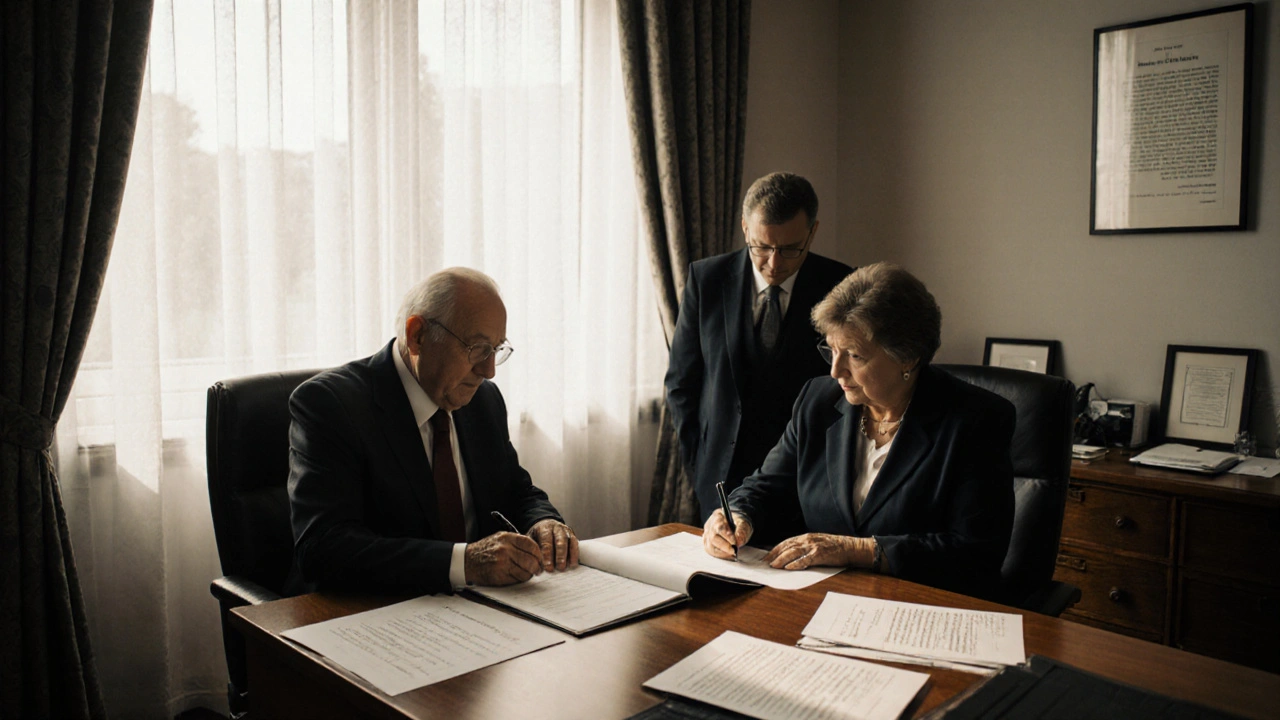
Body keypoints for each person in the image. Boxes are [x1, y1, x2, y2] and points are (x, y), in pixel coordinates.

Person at [702, 262, 1015, 601]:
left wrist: (858, 550)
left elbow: (975, 551)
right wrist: (735, 514)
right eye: (831, 350)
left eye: (854, 355)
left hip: (925, 608)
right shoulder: (817, 401)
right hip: (824, 598)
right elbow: (766, 486)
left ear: (907, 358)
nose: (836, 370)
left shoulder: (975, 421)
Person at [286, 267, 578, 596]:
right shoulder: (330, 405)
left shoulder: (482, 400)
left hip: (478, 611)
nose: (489, 371)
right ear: (418, 336)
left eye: (496, 349)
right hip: (373, 613)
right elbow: (324, 549)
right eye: (478, 348)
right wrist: (464, 563)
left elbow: (516, 490)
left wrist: (542, 521)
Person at [665, 172, 853, 523]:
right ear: (745, 229)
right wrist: (699, 463)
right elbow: (681, 383)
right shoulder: (707, 280)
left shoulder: (842, 285)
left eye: (789, 249)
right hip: (720, 480)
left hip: (807, 481)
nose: (774, 263)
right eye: (762, 247)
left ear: (812, 232)